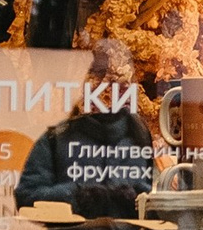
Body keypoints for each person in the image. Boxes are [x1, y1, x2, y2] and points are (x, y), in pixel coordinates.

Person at [13, 38, 155, 216]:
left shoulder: (142, 137)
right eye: (97, 75)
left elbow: (161, 197)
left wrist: (136, 194)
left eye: (118, 77)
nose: (105, 86)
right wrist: (79, 194)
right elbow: (27, 197)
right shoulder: (55, 139)